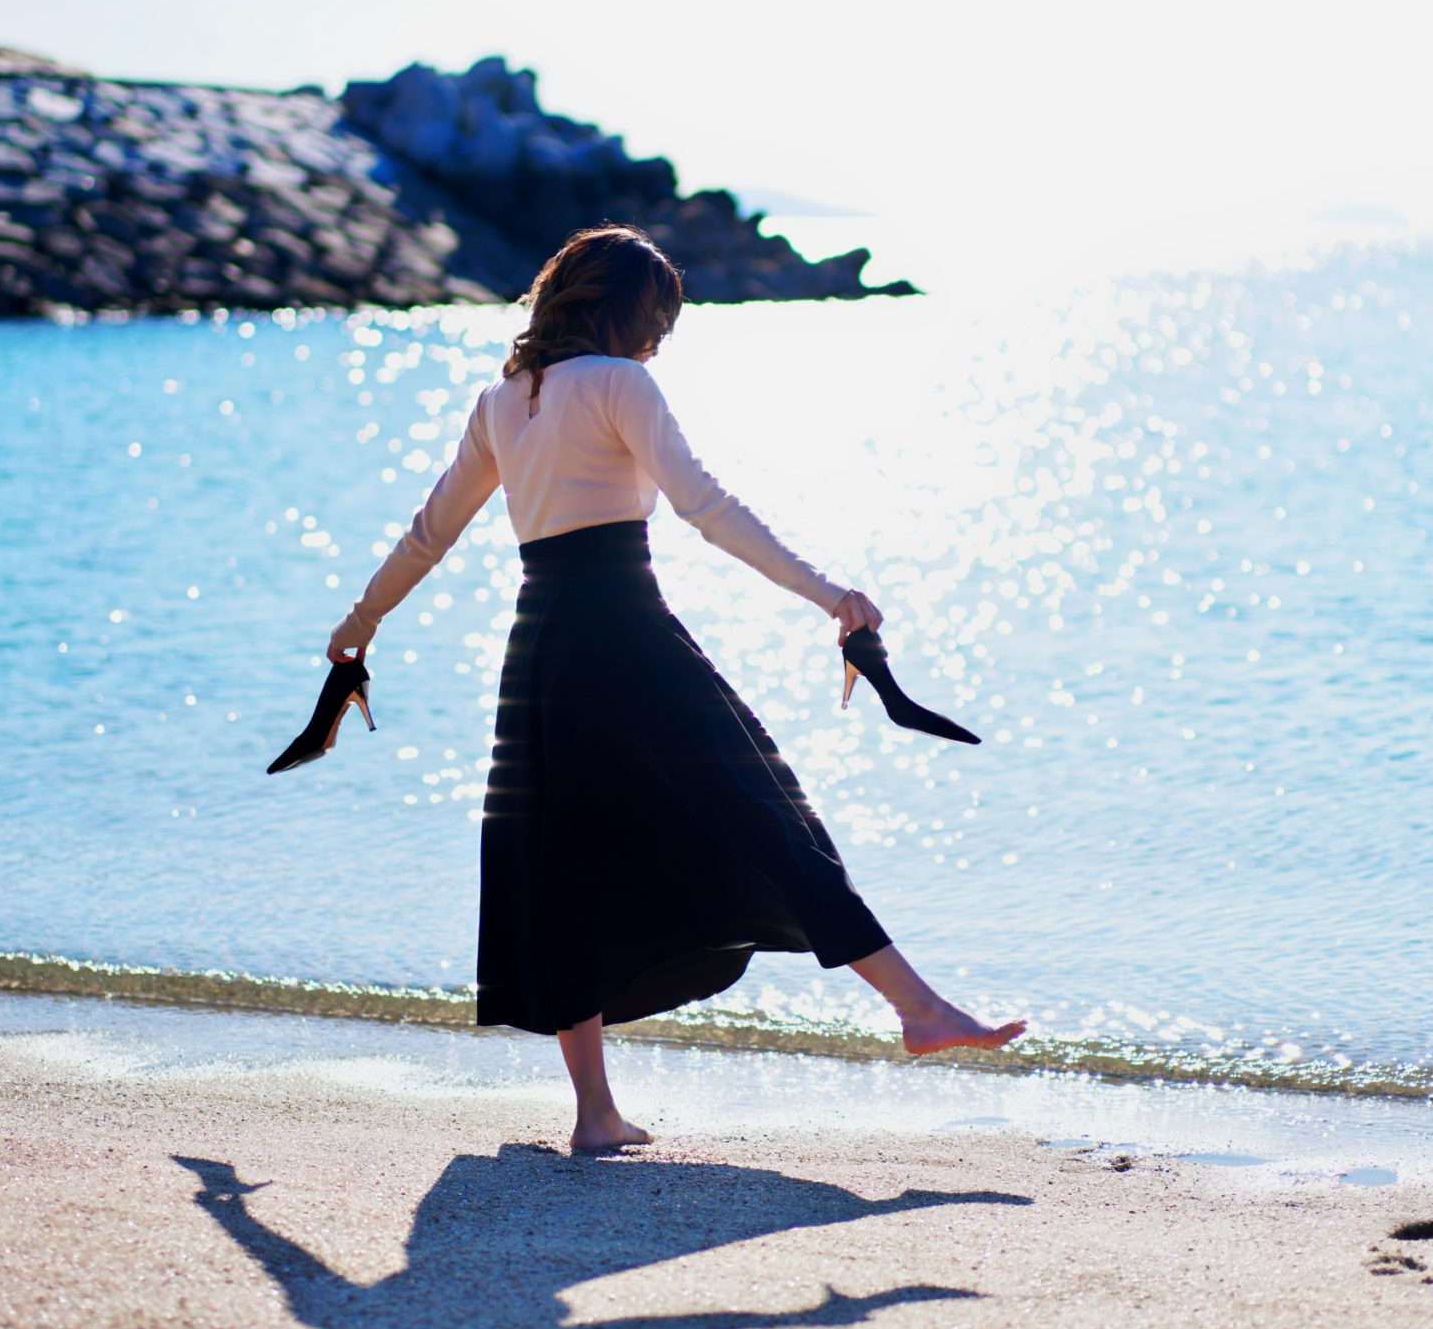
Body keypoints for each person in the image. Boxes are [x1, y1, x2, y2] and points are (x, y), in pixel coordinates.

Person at [328, 225, 1025, 1150]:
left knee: (562, 864)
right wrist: (829, 595)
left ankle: (595, 1113)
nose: (662, 335)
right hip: (627, 635)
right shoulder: (619, 383)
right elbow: (706, 507)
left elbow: (431, 531)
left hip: (541, 650)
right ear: (628, 311)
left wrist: (361, 622)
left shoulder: (501, 401)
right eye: (659, 316)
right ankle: (919, 1009)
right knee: (768, 814)